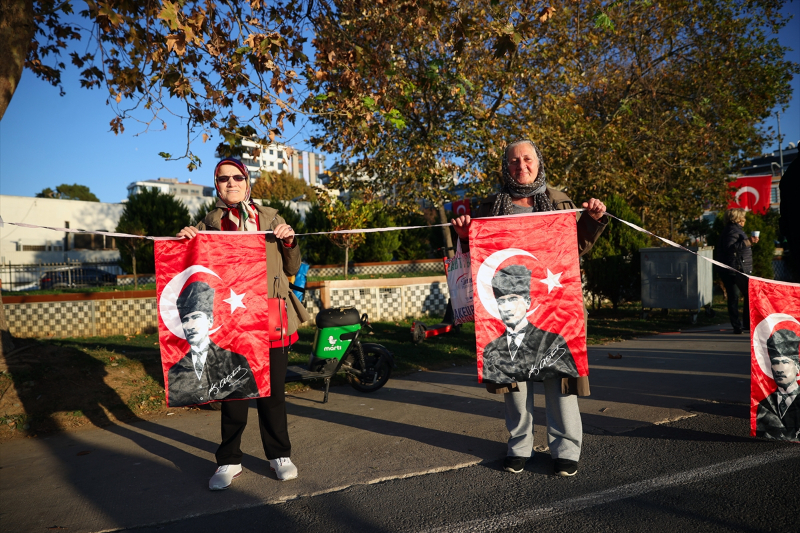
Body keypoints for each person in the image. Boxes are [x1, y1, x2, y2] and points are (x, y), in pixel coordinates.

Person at [451, 139, 607, 477]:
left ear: (539, 162)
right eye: (513, 162)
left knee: (559, 377)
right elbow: (478, 251)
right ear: (505, 167)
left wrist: (593, 220)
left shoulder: (559, 201)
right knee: (514, 380)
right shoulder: (490, 206)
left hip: (556, 304)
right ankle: (519, 445)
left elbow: (576, 248)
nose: (521, 167)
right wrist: (465, 235)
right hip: (507, 304)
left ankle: (566, 448)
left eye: (527, 159)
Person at [177, 157, 310, 490]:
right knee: (232, 392)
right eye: (223, 179)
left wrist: (289, 239)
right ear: (217, 185)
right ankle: (229, 461)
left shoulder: (270, 218)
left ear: (247, 181)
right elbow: (192, 270)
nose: (231, 183)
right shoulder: (208, 223)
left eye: (237, 177)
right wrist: (185, 242)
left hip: (269, 316)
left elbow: (293, 263)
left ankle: (279, 455)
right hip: (229, 320)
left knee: (272, 393)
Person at [167, 281, 258, 406]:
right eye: (186, 320)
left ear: (210, 320)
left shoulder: (235, 360)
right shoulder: (174, 370)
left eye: (196, 317)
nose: (191, 326)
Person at [482, 265, 578, 384]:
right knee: (516, 399)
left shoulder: (552, 341)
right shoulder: (490, 348)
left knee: (558, 392)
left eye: (513, 299)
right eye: (501, 301)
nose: (506, 308)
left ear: (528, 302)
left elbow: (566, 372)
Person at [718, 208, 759, 334]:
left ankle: (744, 324)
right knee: (735, 296)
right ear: (738, 219)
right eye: (744, 217)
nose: (745, 220)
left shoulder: (734, 230)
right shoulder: (732, 231)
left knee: (744, 295)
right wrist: (748, 242)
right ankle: (738, 325)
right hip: (734, 269)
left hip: (737, 268)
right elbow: (730, 248)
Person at [756, 329, 800, 441]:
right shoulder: (764, 404)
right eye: (775, 363)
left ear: (797, 367)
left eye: (785, 362)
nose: (779, 370)